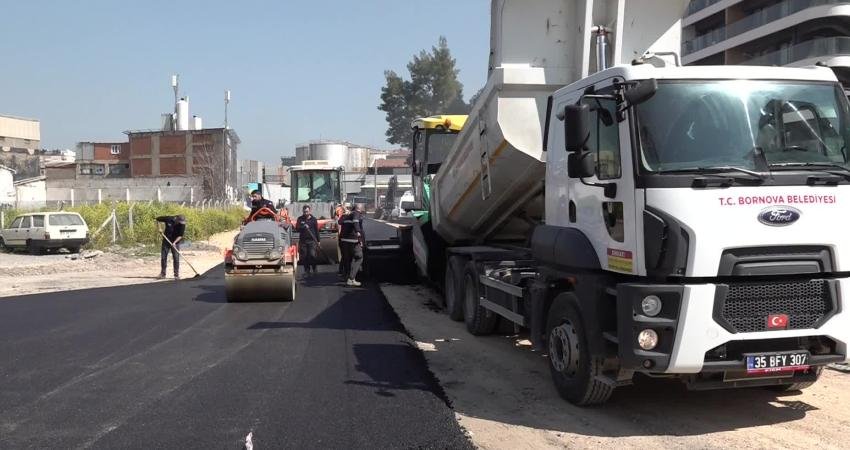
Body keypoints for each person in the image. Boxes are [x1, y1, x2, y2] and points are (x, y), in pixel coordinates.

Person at [340, 203, 364, 287]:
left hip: (344, 240)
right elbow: (356, 221)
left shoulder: (347, 215)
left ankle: (346, 275)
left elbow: (340, 222)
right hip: (353, 239)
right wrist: (358, 232)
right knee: (359, 257)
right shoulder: (356, 213)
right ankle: (351, 278)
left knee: (348, 259)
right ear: (360, 209)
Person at [156, 214, 186, 279]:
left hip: (176, 242)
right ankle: (162, 274)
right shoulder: (168, 219)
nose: (181, 223)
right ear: (177, 219)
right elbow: (157, 219)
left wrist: (174, 243)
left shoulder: (182, 225)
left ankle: (176, 275)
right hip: (166, 241)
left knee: (176, 258)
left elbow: (180, 235)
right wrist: (159, 228)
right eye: (180, 222)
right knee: (163, 257)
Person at [296, 205, 319, 276]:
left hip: (312, 240)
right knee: (305, 256)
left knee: (312, 255)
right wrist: (303, 227)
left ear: (310, 211)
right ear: (303, 211)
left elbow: (316, 230)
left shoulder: (314, 219)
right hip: (303, 241)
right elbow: (297, 228)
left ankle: (314, 269)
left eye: (307, 211)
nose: (306, 213)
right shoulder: (300, 219)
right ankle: (307, 270)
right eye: (304, 212)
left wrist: (318, 241)